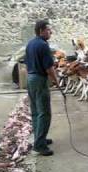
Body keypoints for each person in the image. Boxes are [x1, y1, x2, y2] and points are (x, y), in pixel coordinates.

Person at [24, 20, 59, 156]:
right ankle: (39, 145)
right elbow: (49, 67)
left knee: (35, 111)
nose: (51, 32)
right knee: (44, 112)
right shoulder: (44, 45)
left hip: (31, 78)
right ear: (41, 30)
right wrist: (56, 81)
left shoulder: (30, 43)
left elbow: (27, 65)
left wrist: (30, 78)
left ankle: (40, 139)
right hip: (39, 78)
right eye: (49, 30)